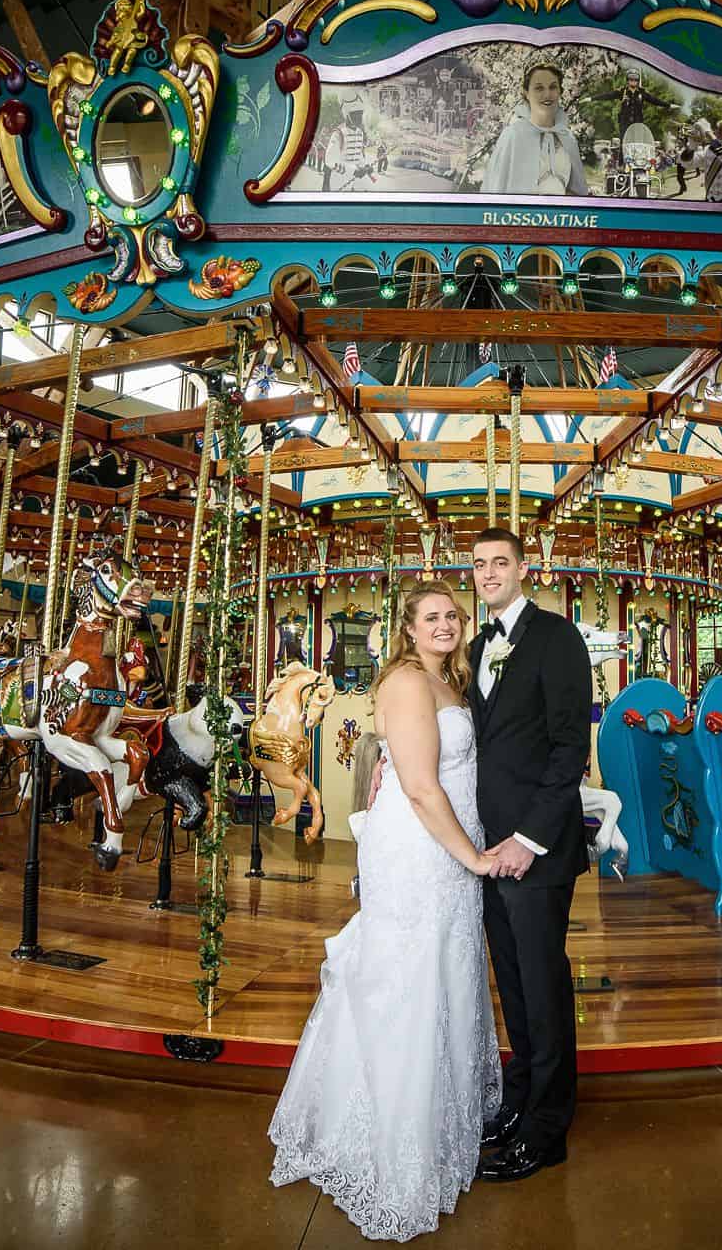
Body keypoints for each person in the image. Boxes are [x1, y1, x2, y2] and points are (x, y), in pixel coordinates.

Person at [269, 580, 501, 1241]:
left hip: (447, 844)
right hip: (423, 849)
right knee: (411, 975)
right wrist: (475, 857)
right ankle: (396, 1146)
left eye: (453, 615)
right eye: (432, 616)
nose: (446, 624)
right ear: (407, 627)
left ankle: (439, 1125)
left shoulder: (448, 681)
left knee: (446, 970)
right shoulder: (405, 681)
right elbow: (424, 788)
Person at [467, 527, 592, 1183]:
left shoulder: (557, 638)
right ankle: (520, 1100)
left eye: (499, 562)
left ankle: (549, 1127)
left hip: (536, 851)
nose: (489, 573)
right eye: (480, 564)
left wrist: (528, 839)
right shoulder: (475, 647)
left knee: (543, 988)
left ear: (523, 567)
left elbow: (571, 747)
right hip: (487, 852)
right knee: (512, 986)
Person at [482, 59, 590, 197]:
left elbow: (578, 192)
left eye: (553, 87)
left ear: (560, 91)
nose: (547, 94)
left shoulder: (567, 138)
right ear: (526, 93)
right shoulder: (513, 135)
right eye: (539, 88)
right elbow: (495, 188)